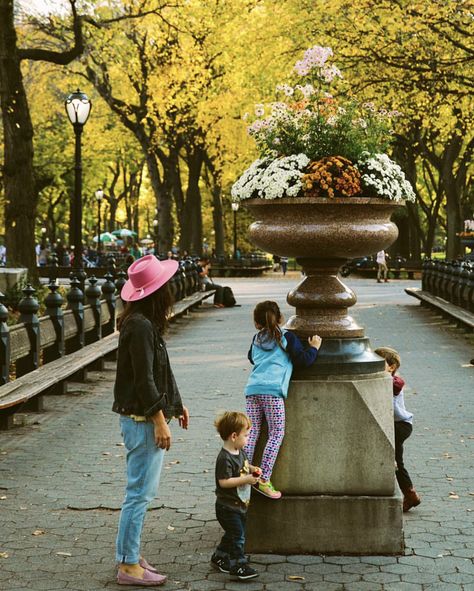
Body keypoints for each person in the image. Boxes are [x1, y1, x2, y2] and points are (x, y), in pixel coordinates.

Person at [113, 254, 190, 587]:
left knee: (140, 491)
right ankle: (128, 565)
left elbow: (161, 371)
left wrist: (178, 404)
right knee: (139, 494)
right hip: (141, 420)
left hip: (143, 417)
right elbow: (144, 380)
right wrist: (160, 419)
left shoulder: (144, 323)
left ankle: (128, 554)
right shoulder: (141, 327)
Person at [244, 301, 322, 499]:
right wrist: (314, 348)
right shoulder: (286, 337)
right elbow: (303, 360)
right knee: (276, 433)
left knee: (252, 433)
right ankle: (263, 480)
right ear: (280, 318)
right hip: (272, 391)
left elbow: (251, 358)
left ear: (256, 322)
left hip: (252, 389)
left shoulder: (256, 338)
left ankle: (242, 474)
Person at [212, 411, 261, 581]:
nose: (248, 438)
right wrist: (246, 479)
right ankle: (238, 565)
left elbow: (245, 466)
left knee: (232, 534)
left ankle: (219, 556)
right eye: (246, 435)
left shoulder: (240, 452)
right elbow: (224, 482)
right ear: (234, 436)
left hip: (239, 505)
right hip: (227, 507)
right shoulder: (224, 458)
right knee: (238, 536)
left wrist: (253, 469)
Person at [374, 346, 421, 513]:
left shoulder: (394, 381)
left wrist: (384, 374)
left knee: (395, 460)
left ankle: (409, 494)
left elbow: (398, 383)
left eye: (378, 363)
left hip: (401, 425)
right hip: (394, 425)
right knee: (397, 461)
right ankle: (410, 495)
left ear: (391, 367)